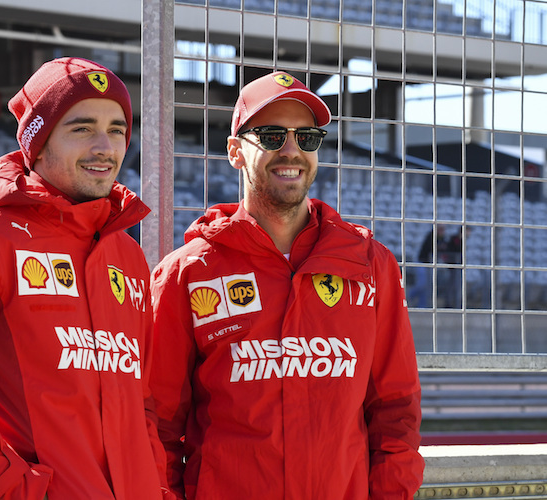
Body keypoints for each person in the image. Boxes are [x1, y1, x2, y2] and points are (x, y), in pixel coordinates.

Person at [0, 57, 174, 500]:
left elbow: (142, 405)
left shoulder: (128, 256)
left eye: (117, 129)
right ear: (37, 143)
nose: (106, 146)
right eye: (81, 128)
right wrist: (24, 489)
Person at [149, 71, 425, 499]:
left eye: (307, 138)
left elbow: (396, 411)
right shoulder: (187, 273)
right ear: (235, 151)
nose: (292, 150)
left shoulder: (371, 265)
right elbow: (158, 424)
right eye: (273, 135)